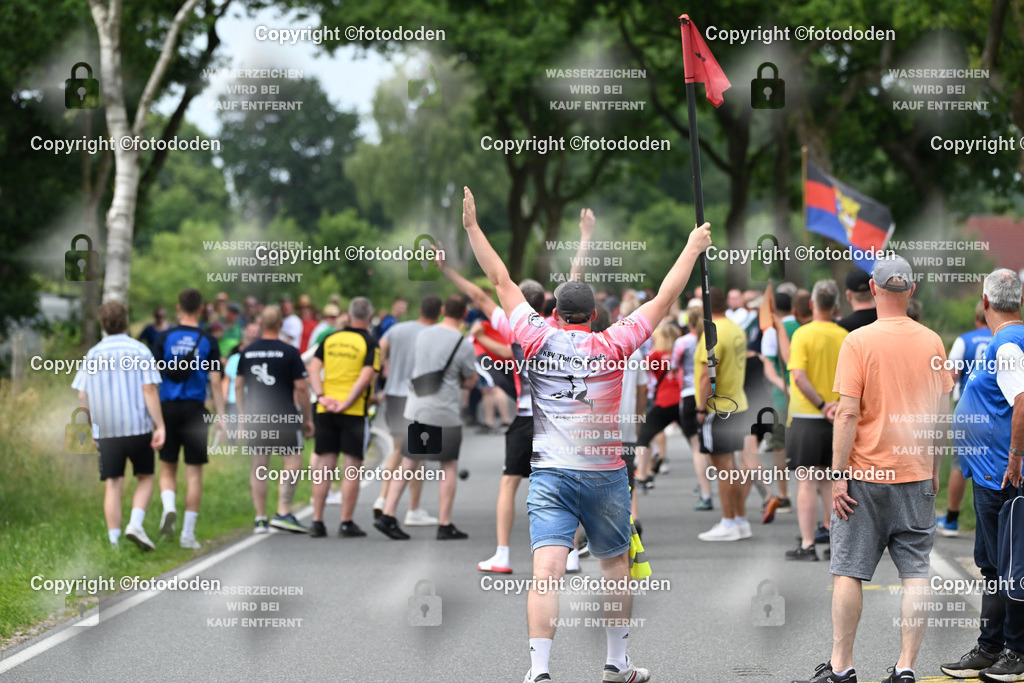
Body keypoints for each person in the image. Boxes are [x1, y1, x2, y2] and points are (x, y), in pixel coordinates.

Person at [458, 184, 712, 683]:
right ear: (594, 315)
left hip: (550, 473)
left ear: (555, 312)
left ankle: (539, 671)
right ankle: (617, 663)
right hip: (605, 475)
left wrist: (472, 228)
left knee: (546, 573)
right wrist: (691, 247)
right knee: (615, 567)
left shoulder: (533, 335)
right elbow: (666, 297)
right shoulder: (615, 342)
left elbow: (500, 279)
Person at [799, 255, 953, 683]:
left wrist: (837, 475)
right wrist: (935, 467)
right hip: (915, 472)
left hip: (864, 477)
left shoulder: (858, 341)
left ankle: (842, 667)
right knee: (916, 574)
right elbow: (941, 416)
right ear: (912, 290)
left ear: (873, 288)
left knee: (848, 570)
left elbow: (848, 414)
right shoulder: (932, 342)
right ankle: (906, 668)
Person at [940, 269, 1024, 682]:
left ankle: (1015, 651)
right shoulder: (1006, 340)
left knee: (1009, 568)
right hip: (990, 473)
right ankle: (991, 647)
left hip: (1002, 475)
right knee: (991, 565)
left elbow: (1021, 401)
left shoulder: (1006, 344)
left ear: (985, 301)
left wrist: (1016, 457)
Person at [374, 293, 477, 541]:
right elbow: (470, 381)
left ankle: (388, 514)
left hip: (417, 408)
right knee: (448, 466)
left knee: (409, 461)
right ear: (464, 314)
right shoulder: (463, 343)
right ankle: (444, 524)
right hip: (444, 412)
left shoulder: (423, 335)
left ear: (443, 311)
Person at [72, 301, 165, 550]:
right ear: (125, 321)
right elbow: (149, 389)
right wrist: (160, 425)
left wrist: (92, 426)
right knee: (145, 477)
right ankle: (135, 524)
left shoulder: (93, 354)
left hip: (107, 430)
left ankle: (114, 544)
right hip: (138, 428)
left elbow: (82, 395)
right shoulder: (140, 350)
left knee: (113, 484)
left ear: (103, 323)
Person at [154, 288, 227, 549]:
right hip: (195, 410)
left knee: (167, 468)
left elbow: (153, 378)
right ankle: (187, 535)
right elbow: (216, 381)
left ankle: (169, 507)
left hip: (168, 408)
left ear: (178, 307)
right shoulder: (208, 340)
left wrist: (153, 417)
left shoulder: (164, 337)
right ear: (201, 309)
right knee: (194, 473)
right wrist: (221, 417)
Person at [783, 280, 848, 561]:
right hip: (838, 417)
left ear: (811, 304)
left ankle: (808, 544)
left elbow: (798, 376)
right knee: (829, 481)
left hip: (807, 415)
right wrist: (836, 405)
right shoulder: (845, 335)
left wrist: (821, 405)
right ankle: (836, 542)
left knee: (807, 481)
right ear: (836, 306)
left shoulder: (802, 334)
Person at [306, 297, 381, 538]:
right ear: (370, 317)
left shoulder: (330, 338)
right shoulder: (370, 343)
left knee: (324, 466)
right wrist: (347, 402)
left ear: (348, 315)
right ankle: (346, 522)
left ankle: (317, 521)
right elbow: (366, 377)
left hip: (326, 409)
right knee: (351, 468)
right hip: (353, 411)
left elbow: (312, 368)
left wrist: (321, 396)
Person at [236, 306, 314, 534]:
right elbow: (301, 388)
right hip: (284, 416)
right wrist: (307, 418)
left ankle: (260, 518)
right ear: (281, 325)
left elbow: (238, 385)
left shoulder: (248, 352)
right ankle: (283, 511)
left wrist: (242, 416)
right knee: (292, 462)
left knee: (259, 466)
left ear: (260, 324)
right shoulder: (289, 352)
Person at [372, 295, 443, 527]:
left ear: (420, 309)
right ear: (439, 313)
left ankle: (383, 497)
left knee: (397, 449)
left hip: (394, 395)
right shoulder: (436, 335)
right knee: (417, 455)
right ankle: (413, 509)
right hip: (419, 398)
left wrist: (376, 383)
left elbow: (378, 352)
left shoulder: (397, 329)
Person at [696, 287, 751, 542]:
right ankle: (739, 520)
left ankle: (729, 522)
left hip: (718, 408)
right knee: (732, 466)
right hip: (737, 404)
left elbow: (706, 375)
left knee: (723, 468)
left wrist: (700, 408)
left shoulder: (712, 332)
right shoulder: (736, 328)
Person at [937, 301, 991, 537]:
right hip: (1001, 409)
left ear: (976, 319)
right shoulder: (1006, 338)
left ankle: (952, 520)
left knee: (960, 464)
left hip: (969, 408)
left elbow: (952, 376)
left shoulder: (964, 340)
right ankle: (995, 520)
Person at [635, 323, 682, 490]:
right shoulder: (680, 353)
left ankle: (642, 474)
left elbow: (639, 370)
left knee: (644, 437)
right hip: (683, 400)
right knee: (697, 443)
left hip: (664, 400)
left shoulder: (655, 355)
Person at [676, 302, 713, 511]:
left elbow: (673, 365)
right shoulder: (710, 339)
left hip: (689, 394)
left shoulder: (683, 342)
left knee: (697, 447)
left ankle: (706, 493)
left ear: (688, 322)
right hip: (710, 395)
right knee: (711, 445)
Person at [223, 322, 259, 417]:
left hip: (252, 400)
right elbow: (228, 379)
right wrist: (224, 395)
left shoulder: (258, 358)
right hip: (234, 400)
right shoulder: (234, 359)